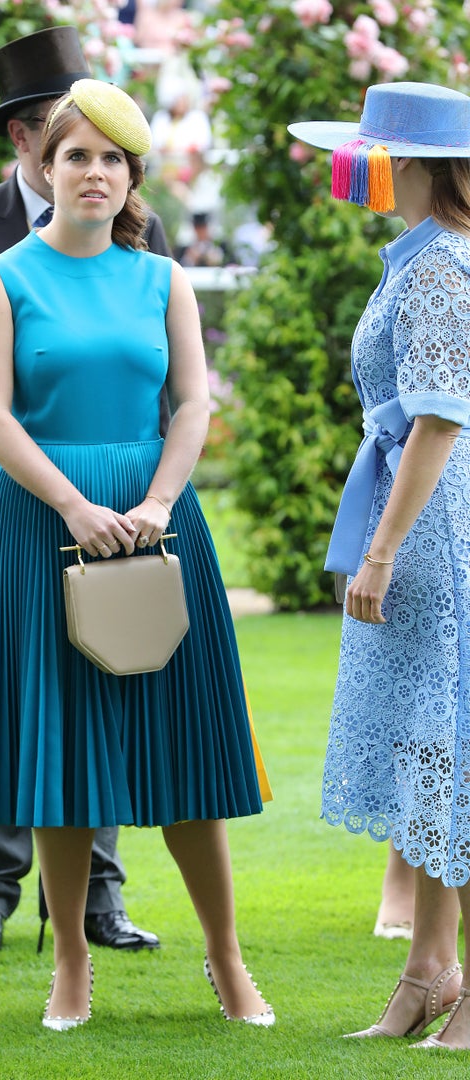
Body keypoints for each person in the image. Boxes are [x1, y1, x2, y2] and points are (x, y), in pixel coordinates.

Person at [0, 77, 273, 1031]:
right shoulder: (0, 277)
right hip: (38, 529)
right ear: (44, 166)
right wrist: (75, 506)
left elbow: (195, 403)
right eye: (76, 155)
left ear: (134, 176)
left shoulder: (162, 278)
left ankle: (228, 960)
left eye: (113, 158)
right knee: (60, 755)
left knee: (185, 750)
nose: (95, 173)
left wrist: (159, 499)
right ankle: (72, 967)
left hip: (159, 524)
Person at [0, 26, 168, 955]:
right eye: (60, 131)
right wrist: (28, 498)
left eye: (107, 142)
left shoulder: (140, 228)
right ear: (24, 137)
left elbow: (159, 378)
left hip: (114, 508)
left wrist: (115, 498)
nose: (88, 155)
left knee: (106, 676)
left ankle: (98, 895)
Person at [288, 81, 470, 1050]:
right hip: (427, 513)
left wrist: (385, 549)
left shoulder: (441, 265)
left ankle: (457, 979)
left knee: (453, 745)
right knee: (429, 752)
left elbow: (440, 415)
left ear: (411, 161)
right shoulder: (422, 258)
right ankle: (427, 972)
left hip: (440, 528)